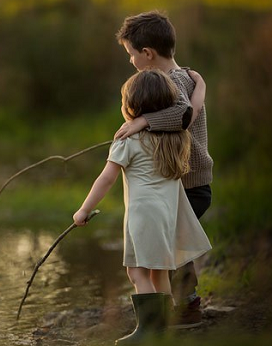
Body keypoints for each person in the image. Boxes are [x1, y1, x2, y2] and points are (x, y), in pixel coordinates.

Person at [73, 69, 212, 345]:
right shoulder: (176, 138)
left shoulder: (128, 140)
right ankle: (164, 328)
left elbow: (106, 178)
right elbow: (194, 108)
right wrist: (200, 84)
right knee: (158, 271)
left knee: (136, 271)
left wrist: (83, 210)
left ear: (131, 106)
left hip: (144, 215)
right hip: (168, 215)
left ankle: (150, 329)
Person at [114, 10, 214, 329]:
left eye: (132, 55)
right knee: (172, 246)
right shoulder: (184, 77)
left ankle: (184, 307)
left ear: (147, 53)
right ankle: (180, 306)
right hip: (184, 183)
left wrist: (143, 121)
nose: (131, 61)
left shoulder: (172, 82)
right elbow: (189, 108)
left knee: (171, 249)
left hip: (188, 184)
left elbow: (184, 115)